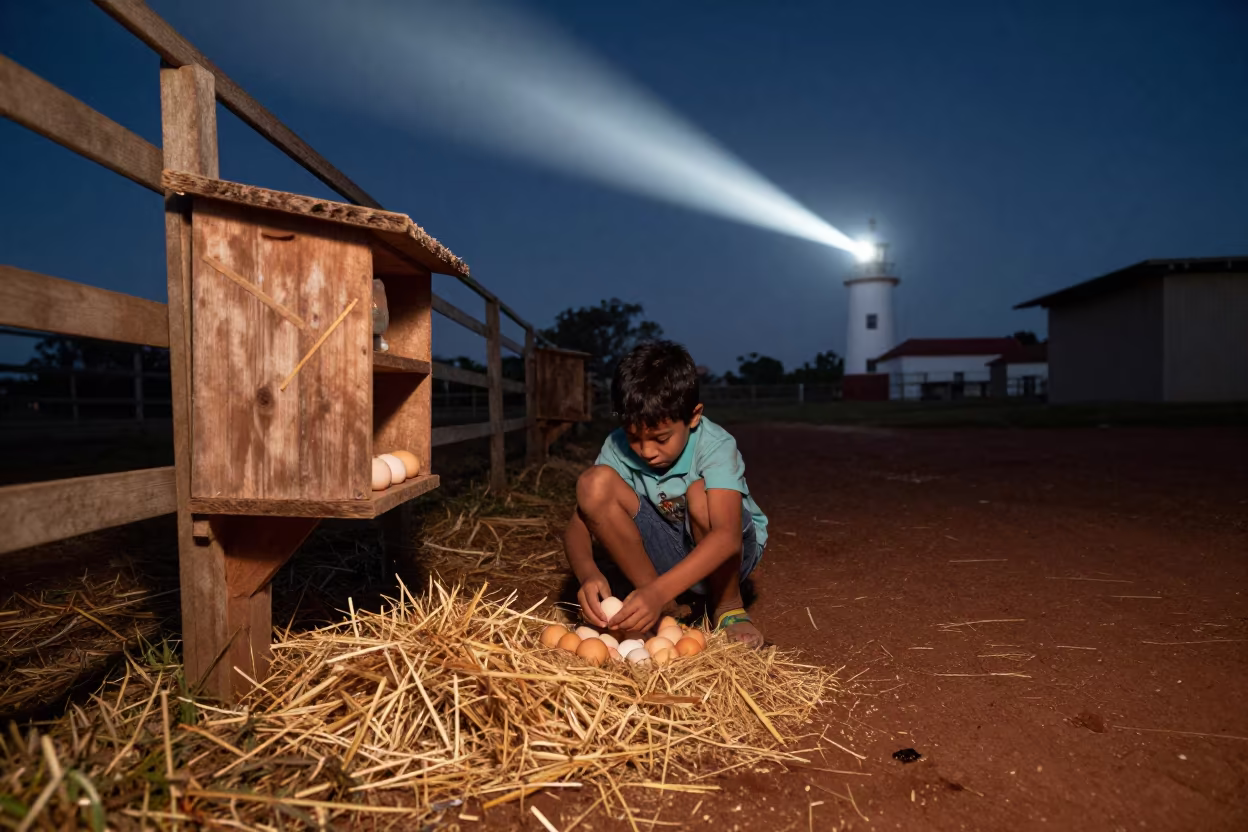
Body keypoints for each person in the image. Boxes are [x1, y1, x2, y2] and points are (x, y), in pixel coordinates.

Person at [564, 340, 768, 647]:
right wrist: (588, 573)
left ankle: (728, 608)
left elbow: (727, 536)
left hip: (729, 553)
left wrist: (656, 592)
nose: (646, 451)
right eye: (633, 437)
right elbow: (577, 525)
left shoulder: (715, 444)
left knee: (701, 495)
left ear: (694, 416)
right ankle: (666, 609)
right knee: (594, 484)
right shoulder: (616, 446)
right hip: (665, 554)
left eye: (661, 438)